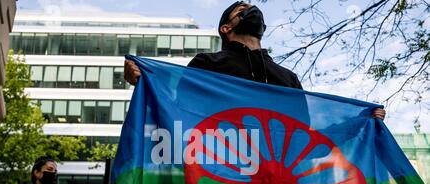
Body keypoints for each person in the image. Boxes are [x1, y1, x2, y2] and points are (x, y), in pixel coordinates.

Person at [124, 1, 386, 120]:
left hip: (277, 183)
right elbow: (180, 110)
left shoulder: (288, 78)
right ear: (225, 28)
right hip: (223, 176)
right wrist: (145, 83)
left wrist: (361, 121)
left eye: (252, 8)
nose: (251, 10)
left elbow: (305, 132)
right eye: (242, 10)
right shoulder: (207, 63)